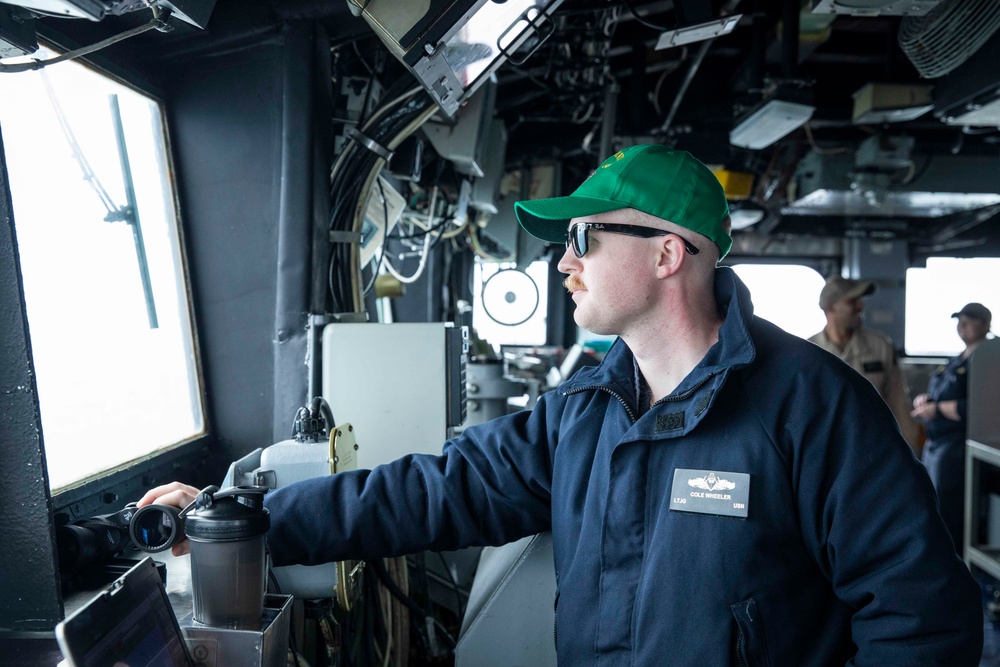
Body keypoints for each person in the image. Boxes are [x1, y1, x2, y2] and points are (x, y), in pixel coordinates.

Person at [141, 145, 982, 665]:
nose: (562, 262)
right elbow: (436, 489)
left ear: (665, 253)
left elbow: (922, 618)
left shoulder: (814, 406)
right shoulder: (583, 408)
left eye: (583, 236)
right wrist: (241, 517)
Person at [912, 302, 993, 552]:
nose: (962, 326)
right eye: (960, 320)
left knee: (952, 511)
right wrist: (925, 400)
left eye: (970, 321)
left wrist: (936, 410)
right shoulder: (956, 359)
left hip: (958, 447)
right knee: (934, 506)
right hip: (937, 446)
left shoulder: (990, 359)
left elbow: (981, 408)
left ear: (986, 324)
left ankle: (955, 564)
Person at [808, 277, 922, 455]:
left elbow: (898, 400)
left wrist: (912, 450)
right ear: (830, 307)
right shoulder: (810, 351)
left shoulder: (881, 346)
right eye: (852, 301)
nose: (861, 306)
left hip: (874, 446)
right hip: (826, 450)